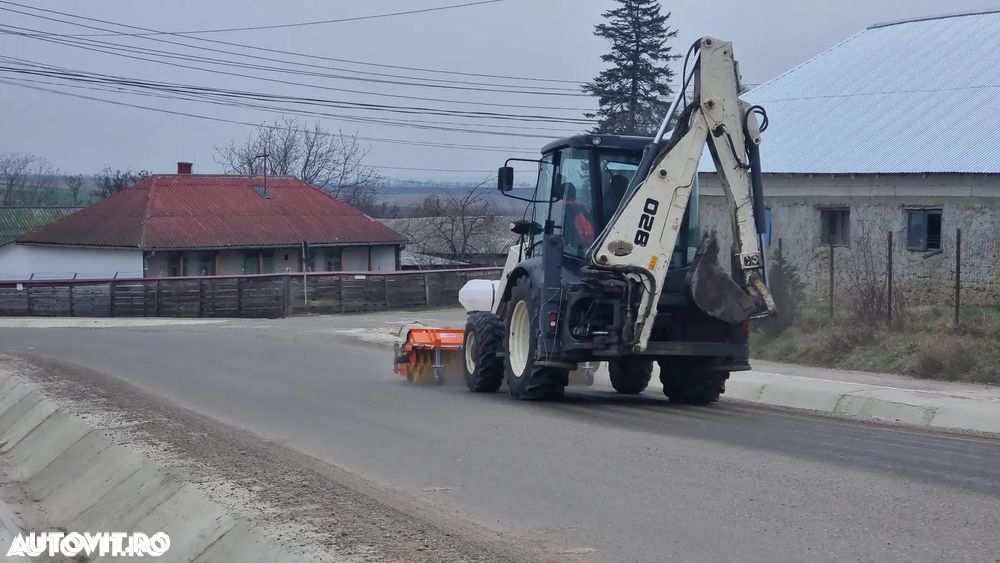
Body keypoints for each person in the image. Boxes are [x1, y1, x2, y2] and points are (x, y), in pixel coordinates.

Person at [561, 182, 594, 249]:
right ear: (574, 194)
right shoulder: (577, 210)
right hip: (575, 252)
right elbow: (590, 235)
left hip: (556, 250)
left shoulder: (551, 209)